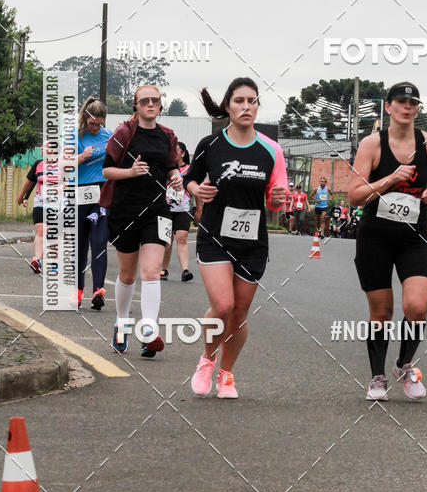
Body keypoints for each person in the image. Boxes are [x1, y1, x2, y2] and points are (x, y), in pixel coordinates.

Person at [184, 77, 287, 399]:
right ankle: (206, 360)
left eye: (252, 101)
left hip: (253, 241)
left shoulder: (272, 150)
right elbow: (190, 179)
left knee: (239, 313)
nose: (246, 107)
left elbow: (274, 200)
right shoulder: (210, 144)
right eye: (240, 101)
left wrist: (279, 200)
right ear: (228, 106)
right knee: (223, 305)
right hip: (215, 235)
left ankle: (226, 374)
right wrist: (196, 190)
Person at [348, 82, 427, 402]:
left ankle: (404, 365)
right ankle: (377, 377)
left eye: (413, 103)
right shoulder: (371, 145)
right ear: (388, 107)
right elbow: (354, 196)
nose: (407, 107)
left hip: (413, 238)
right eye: (401, 102)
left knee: (417, 306)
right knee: (382, 312)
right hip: (375, 236)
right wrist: (390, 179)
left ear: (418, 109)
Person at [101, 85, 183, 358]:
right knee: (126, 274)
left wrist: (176, 176)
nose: (150, 104)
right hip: (125, 210)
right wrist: (131, 171)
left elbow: (171, 165)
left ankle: (148, 330)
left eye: (155, 100)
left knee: (151, 271)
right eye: (144, 100)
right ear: (135, 106)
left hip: (157, 210)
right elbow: (106, 170)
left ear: (160, 106)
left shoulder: (168, 136)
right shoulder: (124, 133)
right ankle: (122, 324)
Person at [75, 97, 112, 309]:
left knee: (99, 244)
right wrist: (81, 157)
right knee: (80, 246)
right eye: (92, 124)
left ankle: (98, 291)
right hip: (80, 194)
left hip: (102, 194)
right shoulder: (76, 136)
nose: (95, 127)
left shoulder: (109, 136)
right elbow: (61, 164)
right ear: (85, 119)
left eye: (99, 123)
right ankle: (77, 293)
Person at [17, 144, 60, 273]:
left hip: (56, 205)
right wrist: (22, 197)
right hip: (40, 203)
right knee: (40, 230)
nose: (42, 150)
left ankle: (54, 262)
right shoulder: (38, 164)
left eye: (45, 148)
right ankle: (36, 260)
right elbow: (30, 182)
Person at [160, 142, 194, 282]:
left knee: (182, 237)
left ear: (183, 153)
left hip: (183, 209)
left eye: (177, 150)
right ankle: (164, 269)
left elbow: (195, 188)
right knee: (167, 240)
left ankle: (185, 270)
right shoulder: (166, 168)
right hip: (167, 208)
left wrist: (198, 209)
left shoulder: (189, 169)